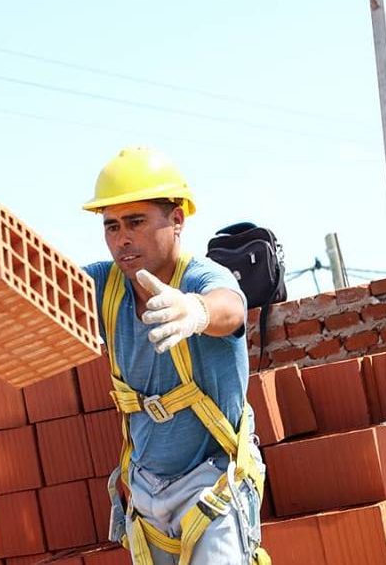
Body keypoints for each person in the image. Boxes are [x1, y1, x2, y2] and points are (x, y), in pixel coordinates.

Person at [81, 147, 268, 565]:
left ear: (177, 219)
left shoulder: (202, 276)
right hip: (146, 491)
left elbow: (230, 306)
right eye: (111, 226)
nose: (121, 238)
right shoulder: (104, 285)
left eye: (136, 222)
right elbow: (44, 285)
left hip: (212, 481)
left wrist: (197, 310)